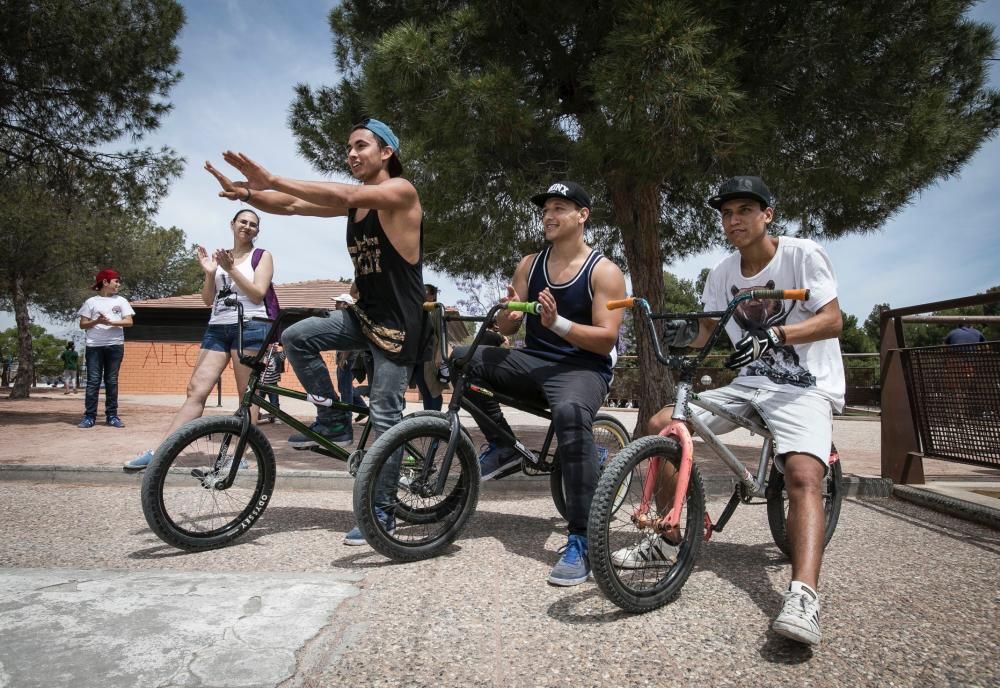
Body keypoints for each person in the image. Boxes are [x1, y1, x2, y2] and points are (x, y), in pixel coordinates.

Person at [639, 176, 844, 646]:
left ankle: (804, 596)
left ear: (767, 214)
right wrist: (682, 337)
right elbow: (710, 328)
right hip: (750, 384)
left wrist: (779, 335)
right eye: (727, 214)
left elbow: (834, 319)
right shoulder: (721, 273)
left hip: (804, 386)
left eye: (745, 211)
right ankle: (673, 536)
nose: (734, 221)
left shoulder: (801, 254)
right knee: (661, 426)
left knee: (802, 476)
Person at [205, 117, 425, 546]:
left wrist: (270, 177)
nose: (352, 154)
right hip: (363, 315)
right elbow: (289, 206)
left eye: (361, 146)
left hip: (399, 324)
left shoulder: (402, 192)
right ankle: (334, 419)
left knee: (385, 417)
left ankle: (382, 513)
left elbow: (342, 191)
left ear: (386, 153)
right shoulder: (356, 206)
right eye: (349, 148)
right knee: (297, 336)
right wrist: (249, 193)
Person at [451, 181, 626, 586]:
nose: (548, 215)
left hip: (585, 366)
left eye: (560, 207)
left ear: (582, 216)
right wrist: (508, 319)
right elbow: (507, 323)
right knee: (462, 360)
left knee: (568, 413)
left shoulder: (604, 271)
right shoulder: (529, 265)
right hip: (535, 360)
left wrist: (558, 323)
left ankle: (581, 538)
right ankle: (501, 445)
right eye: (545, 208)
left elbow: (606, 338)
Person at [123, 209, 274, 470]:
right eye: (243, 222)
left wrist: (231, 271)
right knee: (196, 390)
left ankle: (237, 458)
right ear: (233, 224)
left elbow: (258, 294)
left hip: (249, 326)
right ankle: (161, 453)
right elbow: (207, 301)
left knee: (246, 395)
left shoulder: (262, 256)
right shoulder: (221, 258)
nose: (247, 227)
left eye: (252, 224)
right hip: (217, 327)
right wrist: (209, 273)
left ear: (257, 231)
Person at [77, 269, 135, 428]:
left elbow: (129, 321)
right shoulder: (91, 302)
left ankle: (112, 416)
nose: (118, 284)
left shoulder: (122, 301)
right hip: (94, 346)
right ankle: (89, 417)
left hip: (115, 345)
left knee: (111, 381)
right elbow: (83, 324)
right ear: (105, 282)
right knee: (93, 381)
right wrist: (96, 322)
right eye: (116, 281)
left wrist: (111, 323)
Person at [332, 293, 368, 415]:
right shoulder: (347, 317)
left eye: (338, 302)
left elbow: (349, 340)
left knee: (345, 388)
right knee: (344, 387)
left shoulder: (349, 318)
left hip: (348, 358)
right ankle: (362, 409)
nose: (335, 304)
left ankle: (346, 414)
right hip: (345, 357)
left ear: (345, 304)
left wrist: (343, 357)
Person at [412, 283, 443, 411]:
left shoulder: (437, 309)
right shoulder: (418, 310)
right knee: (424, 390)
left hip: (431, 356)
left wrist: (439, 354)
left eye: (425, 292)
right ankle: (427, 420)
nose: (422, 294)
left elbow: (442, 333)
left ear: (432, 296)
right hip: (418, 357)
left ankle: (435, 419)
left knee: (434, 390)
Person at [260, 342, 286, 422]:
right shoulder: (262, 355)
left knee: (274, 402)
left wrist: (283, 348)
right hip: (261, 383)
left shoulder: (278, 356)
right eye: (271, 344)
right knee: (258, 401)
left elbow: (285, 354)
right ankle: (254, 414)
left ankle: (275, 416)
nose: (273, 346)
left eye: (275, 345)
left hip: (272, 383)